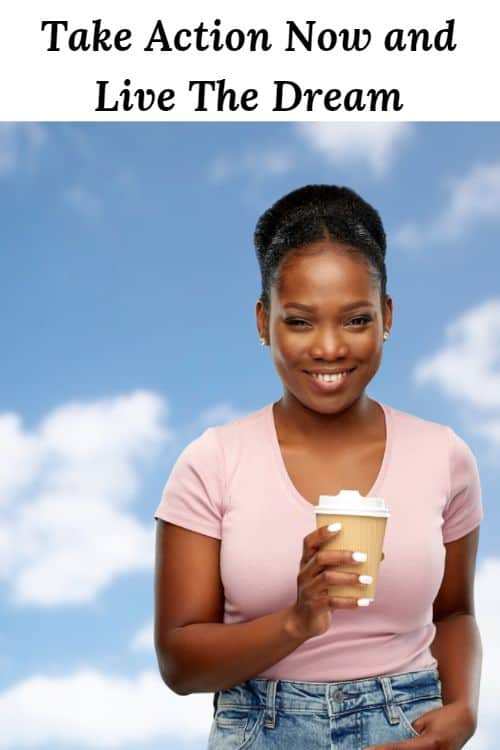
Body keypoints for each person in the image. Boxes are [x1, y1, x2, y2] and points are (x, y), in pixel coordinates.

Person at [153, 184, 483, 749]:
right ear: (264, 322)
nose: (329, 348)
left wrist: (464, 709)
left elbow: (453, 613)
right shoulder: (211, 463)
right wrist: (297, 620)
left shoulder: (444, 456)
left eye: (355, 320)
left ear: (386, 316)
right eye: (300, 322)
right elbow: (179, 664)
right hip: (262, 727)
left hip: (406, 727)